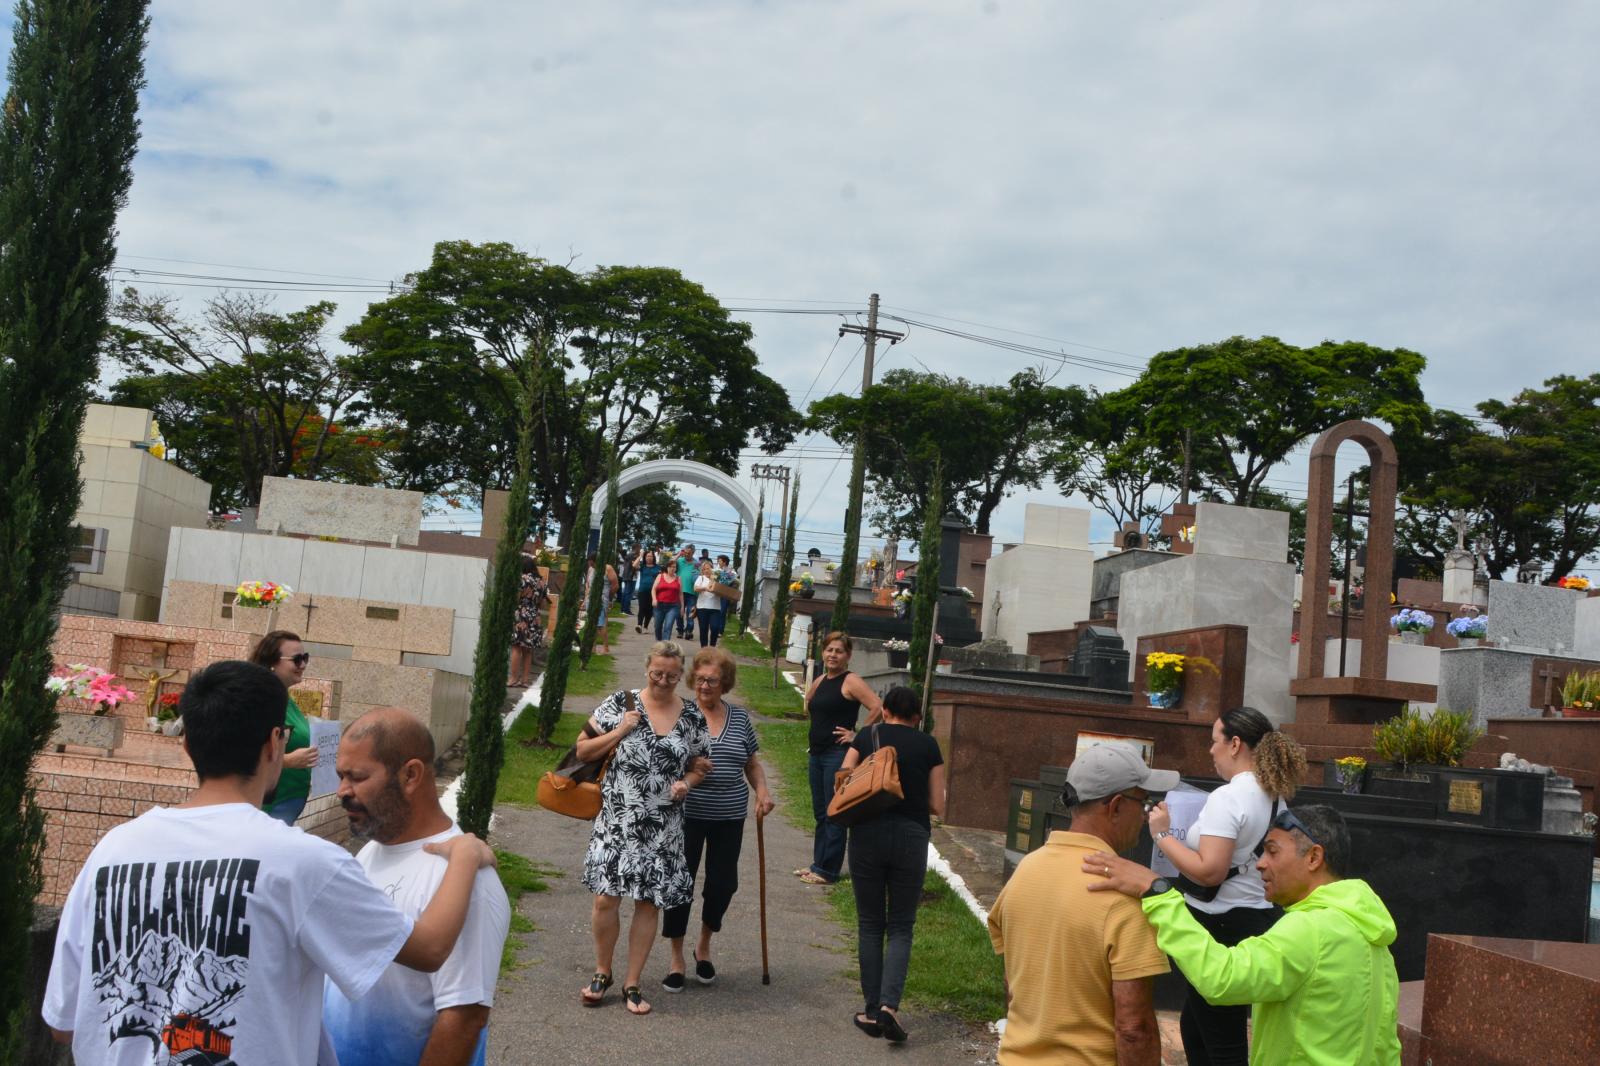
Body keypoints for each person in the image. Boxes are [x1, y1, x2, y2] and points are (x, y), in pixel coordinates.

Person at [42, 660, 496, 1065]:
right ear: (275, 743)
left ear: (187, 747)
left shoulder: (111, 851)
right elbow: (431, 949)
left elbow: (65, 1023)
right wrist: (465, 855)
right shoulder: (301, 862)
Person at [1086, 805, 1402, 1066]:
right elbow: (1387, 1046)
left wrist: (1159, 894)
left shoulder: (1311, 929)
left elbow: (1221, 978)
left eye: (1273, 852)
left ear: (1313, 858)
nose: (1261, 864)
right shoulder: (1370, 933)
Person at [323, 708, 512, 1065]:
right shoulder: (370, 854)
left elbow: (465, 1018)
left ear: (410, 775)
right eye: (340, 776)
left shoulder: (467, 879)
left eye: (357, 777)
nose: (341, 791)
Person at [988, 743, 1178, 1066]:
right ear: (1115, 806)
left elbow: (1013, 985)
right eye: (1143, 801)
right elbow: (1133, 1028)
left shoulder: (1025, 873)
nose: (1147, 813)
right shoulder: (1122, 899)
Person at [1149, 707, 1306, 1066]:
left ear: (1235, 744)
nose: (1210, 750)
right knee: (1196, 1024)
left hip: (1218, 922)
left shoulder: (1228, 797)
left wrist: (1161, 835)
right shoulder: (1274, 794)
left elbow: (1209, 872)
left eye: (1214, 741)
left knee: (1223, 1041)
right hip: (1254, 916)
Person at [578, 642, 711, 1016]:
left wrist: (688, 782)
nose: (664, 681)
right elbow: (583, 750)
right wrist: (620, 730)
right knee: (606, 898)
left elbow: (701, 765)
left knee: (648, 902)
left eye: (671, 675)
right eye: (657, 673)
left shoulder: (692, 718)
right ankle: (602, 972)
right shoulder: (620, 703)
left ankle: (632, 982)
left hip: (662, 826)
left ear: (680, 673)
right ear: (647, 668)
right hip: (616, 822)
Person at [661, 647, 775, 990]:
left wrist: (763, 791)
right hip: (687, 815)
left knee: (723, 884)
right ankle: (677, 957)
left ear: (724, 684)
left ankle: (704, 946)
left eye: (712, 680)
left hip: (729, 815)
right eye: (699, 679)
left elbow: (751, 763)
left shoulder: (739, 718)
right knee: (680, 883)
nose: (704, 686)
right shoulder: (680, 714)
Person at [840, 686, 945, 1043]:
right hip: (911, 837)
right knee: (901, 925)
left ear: (884, 711)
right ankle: (889, 1007)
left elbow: (843, 779)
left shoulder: (866, 736)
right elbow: (938, 803)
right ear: (918, 717)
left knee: (870, 924)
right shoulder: (928, 745)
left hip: (866, 834)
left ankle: (870, 1012)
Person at [797, 632, 883, 885]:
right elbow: (809, 700)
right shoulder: (823, 678)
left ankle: (828, 870)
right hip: (818, 753)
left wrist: (856, 735)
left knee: (834, 812)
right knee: (820, 813)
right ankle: (818, 864)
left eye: (839, 651)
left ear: (848, 656)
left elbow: (877, 706)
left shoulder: (851, 680)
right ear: (823, 652)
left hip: (838, 755)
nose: (833, 655)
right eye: (829, 650)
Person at [249, 629, 320, 825]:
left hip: (289, 800)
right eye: (296, 659)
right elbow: (244, 751)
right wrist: (287, 761)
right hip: (270, 806)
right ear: (272, 662)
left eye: (305, 657)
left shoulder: (285, 699)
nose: (303, 665)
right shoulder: (260, 700)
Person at [508, 554, 549, 689]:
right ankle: (525, 680)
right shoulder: (542, 582)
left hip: (522, 615)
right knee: (528, 650)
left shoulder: (522, 579)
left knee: (516, 647)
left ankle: (513, 678)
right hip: (535, 617)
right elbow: (543, 605)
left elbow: (516, 598)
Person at [693, 560, 724, 647]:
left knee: (715, 628)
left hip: (715, 608)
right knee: (703, 629)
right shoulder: (701, 578)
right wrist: (705, 588)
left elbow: (723, 590)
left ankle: (712, 647)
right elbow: (695, 588)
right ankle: (704, 649)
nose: (706, 570)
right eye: (704, 569)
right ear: (702, 571)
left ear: (712, 569)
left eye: (708, 568)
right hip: (702, 608)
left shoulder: (718, 579)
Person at [651, 562, 683, 642]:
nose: (672, 569)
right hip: (659, 605)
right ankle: (659, 642)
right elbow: (653, 589)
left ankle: (665, 647)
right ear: (667, 567)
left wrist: (682, 607)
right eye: (671, 567)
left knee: (668, 626)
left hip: (673, 606)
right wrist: (654, 599)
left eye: (674, 567)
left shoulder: (678, 578)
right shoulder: (660, 576)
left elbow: (680, 594)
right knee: (657, 626)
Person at [634, 548, 661, 634]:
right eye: (647, 556)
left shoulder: (658, 567)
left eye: (651, 556)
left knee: (649, 610)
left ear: (654, 557)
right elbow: (634, 565)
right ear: (645, 557)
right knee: (642, 608)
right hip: (642, 590)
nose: (649, 558)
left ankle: (645, 626)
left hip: (653, 592)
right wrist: (640, 555)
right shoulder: (642, 566)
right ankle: (639, 625)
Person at [674, 545, 699, 638]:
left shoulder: (696, 564)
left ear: (693, 553)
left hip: (692, 592)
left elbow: (699, 576)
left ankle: (689, 631)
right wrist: (679, 554)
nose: (687, 554)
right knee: (679, 612)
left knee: (690, 612)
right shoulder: (680, 561)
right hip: (679, 591)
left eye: (689, 553)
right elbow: (669, 564)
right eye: (686, 552)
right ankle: (680, 630)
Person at [713, 553, 738, 642]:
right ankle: (714, 628)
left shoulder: (731, 571)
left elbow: (734, 580)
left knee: (722, 612)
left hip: (725, 594)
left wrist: (727, 580)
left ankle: (720, 630)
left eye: (719, 561)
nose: (718, 562)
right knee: (715, 611)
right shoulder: (716, 570)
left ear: (724, 562)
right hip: (716, 593)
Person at [618, 545, 637, 617]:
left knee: (625, 593)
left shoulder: (628, 555)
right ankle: (626, 610)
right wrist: (636, 573)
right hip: (631, 576)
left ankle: (622, 609)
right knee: (629, 594)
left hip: (626, 575)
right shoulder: (633, 555)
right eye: (639, 548)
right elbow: (634, 566)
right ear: (636, 548)